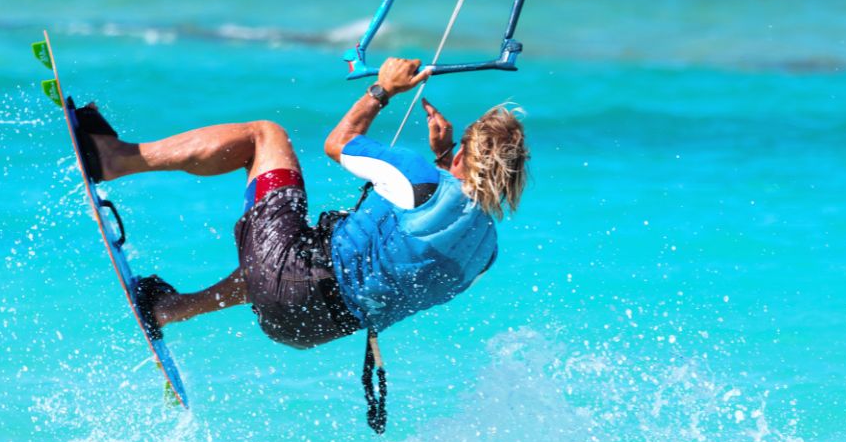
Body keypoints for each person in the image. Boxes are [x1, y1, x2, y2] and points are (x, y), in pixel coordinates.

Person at [73, 57, 528, 352]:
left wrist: (383, 90)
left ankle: (116, 159)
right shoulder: (485, 252)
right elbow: (416, 244)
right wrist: (442, 160)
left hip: (297, 280)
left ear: (467, 154)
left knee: (264, 136)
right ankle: (169, 309)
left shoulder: (421, 181)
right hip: (312, 329)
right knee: (297, 261)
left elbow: (339, 143)